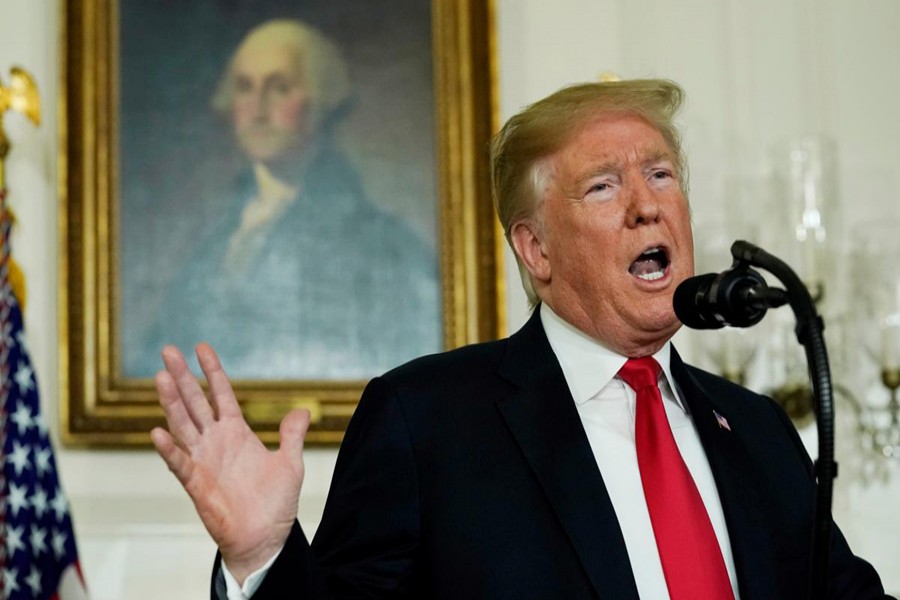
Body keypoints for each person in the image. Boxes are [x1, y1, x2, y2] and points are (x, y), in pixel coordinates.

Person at [152, 79, 892, 598]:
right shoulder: (426, 423)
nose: (646, 206)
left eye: (661, 174)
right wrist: (262, 559)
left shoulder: (757, 430)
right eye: (603, 185)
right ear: (536, 251)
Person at [128, 19, 440, 380]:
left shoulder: (384, 245)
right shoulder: (216, 236)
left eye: (279, 88)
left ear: (321, 101)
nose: (258, 108)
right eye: (244, 87)